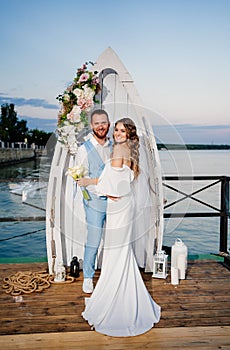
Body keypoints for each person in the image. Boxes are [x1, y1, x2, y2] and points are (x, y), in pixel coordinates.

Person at [79, 117, 161, 337]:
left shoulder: (118, 150)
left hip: (117, 207)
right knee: (121, 251)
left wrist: (91, 184)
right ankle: (126, 294)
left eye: (121, 131)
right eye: (116, 129)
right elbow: (124, 180)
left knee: (116, 252)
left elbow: (111, 182)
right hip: (124, 203)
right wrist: (109, 188)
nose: (116, 133)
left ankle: (115, 300)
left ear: (128, 133)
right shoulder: (131, 150)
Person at [76, 109, 111, 294]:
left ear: (109, 124)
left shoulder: (115, 146)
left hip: (115, 202)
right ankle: (88, 277)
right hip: (95, 202)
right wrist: (92, 198)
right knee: (94, 240)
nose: (100, 126)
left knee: (115, 239)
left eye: (103, 122)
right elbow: (81, 180)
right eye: (97, 123)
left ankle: (112, 275)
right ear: (91, 126)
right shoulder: (84, 149)